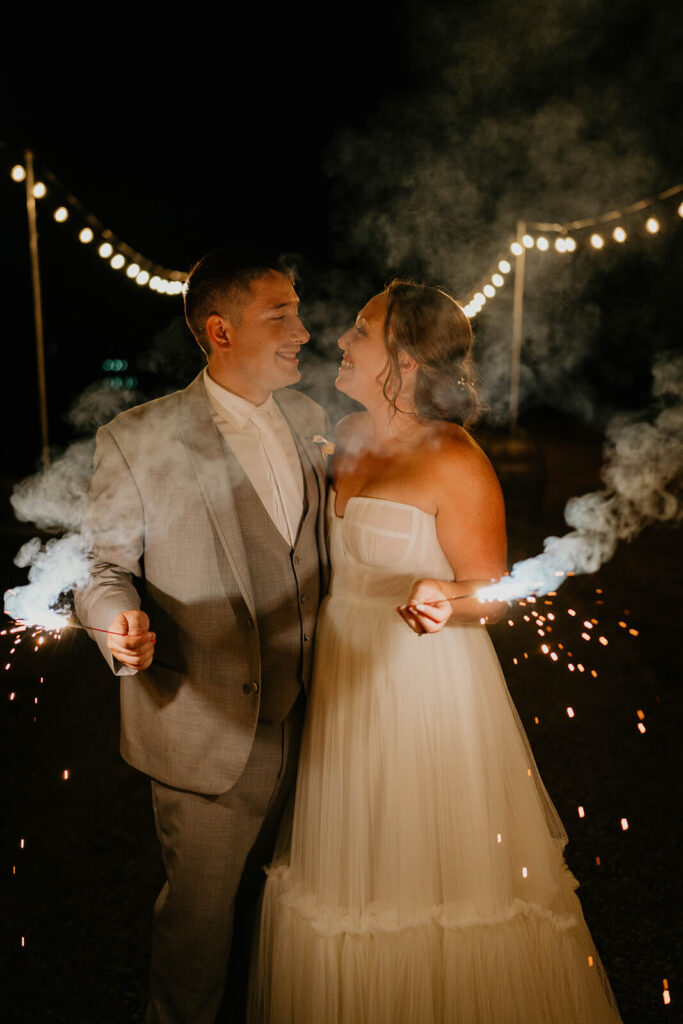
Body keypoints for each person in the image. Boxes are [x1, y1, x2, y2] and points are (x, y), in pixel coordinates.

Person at [249, 280, 622, 1023]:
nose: (342, 341)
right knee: (346, 874)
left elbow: (489, 592)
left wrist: (441, 598)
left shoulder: (455, 458)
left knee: (428, 879)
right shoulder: (343, 439)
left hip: (423, 687)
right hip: (343, 678)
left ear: (407, 358)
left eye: (361, 329)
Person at [74, 250, 330, 1024]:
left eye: (299, 311)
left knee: (299, 910)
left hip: (322, 719)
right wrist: (114, 627)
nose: (304, 332)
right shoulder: (137, 437)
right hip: (206, 724)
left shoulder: (313, 421)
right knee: (198, 927)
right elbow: (101, 565)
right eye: (280, 315)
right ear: (220, 330)